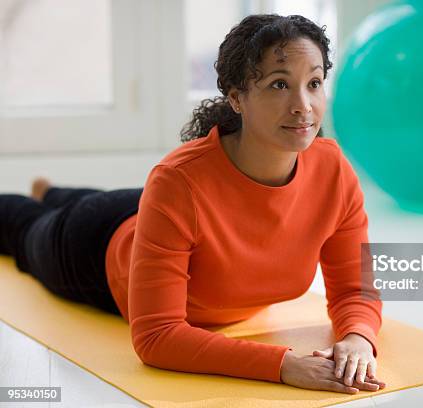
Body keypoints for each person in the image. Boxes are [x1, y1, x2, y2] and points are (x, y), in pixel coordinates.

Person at [0, 14, 385, 395]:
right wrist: (283, 365)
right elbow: (157, 336)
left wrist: (358, 338)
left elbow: (356, 290)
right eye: (279, 84)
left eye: (314, 83)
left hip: (157, 212)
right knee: (23, 227)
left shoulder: (333, 170)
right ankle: (47, 200)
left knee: (109, 199)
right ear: (236, 98)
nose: (303, 106)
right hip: (95, 248)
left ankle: (53, 190)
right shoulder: (178, 181)